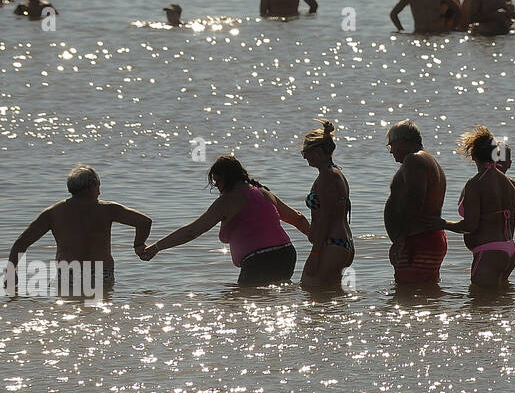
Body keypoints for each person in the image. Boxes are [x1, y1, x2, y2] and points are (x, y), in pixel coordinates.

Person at [140, 156, 308, 286]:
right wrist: (319, 239)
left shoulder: (227, 202)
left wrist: (156, 247)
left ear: (228, 178)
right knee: (273, 299)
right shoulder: (264, 192)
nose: (217, 186)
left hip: (260, 261)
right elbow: (298, 219)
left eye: (218, 181)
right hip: (286, 254)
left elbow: (192, 231)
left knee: (245, 306)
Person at [8, 165, 152, 289]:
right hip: (101, 273)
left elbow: (21, 243)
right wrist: (138, 245)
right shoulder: (108, 209)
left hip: (68, 272)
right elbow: (145, 222)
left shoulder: (53, 212)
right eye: (98, 187)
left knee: (68, 311)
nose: (100, 192)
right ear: (92, 185)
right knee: (101, 313)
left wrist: (11, 272)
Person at [442, 127, 515, 287]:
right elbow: (511, 226)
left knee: (479, 308)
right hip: (510, 250)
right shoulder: (509, 184)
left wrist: (442, 224)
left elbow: (470, 225)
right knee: (501, 305)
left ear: (472, 155)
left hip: (488, 253)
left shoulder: (475, 184)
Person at [384, 121, 448, 285]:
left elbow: (415, 200)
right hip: (426, 238)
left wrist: (401, 240)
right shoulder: (428, 160)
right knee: (425, 294)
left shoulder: (414, 160)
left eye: (391, 144)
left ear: (403, 141)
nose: (390, 151)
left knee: (408, 295)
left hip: (418, 240)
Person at [298, 120, 354, 290]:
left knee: (311, 290)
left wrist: (315, 253)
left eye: (306, 152)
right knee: (331, 298)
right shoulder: (335, 173)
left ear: (320, 151)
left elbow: (326, 217)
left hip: (331, 244)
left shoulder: (328, 177)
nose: (305, 156)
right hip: (340, 244)